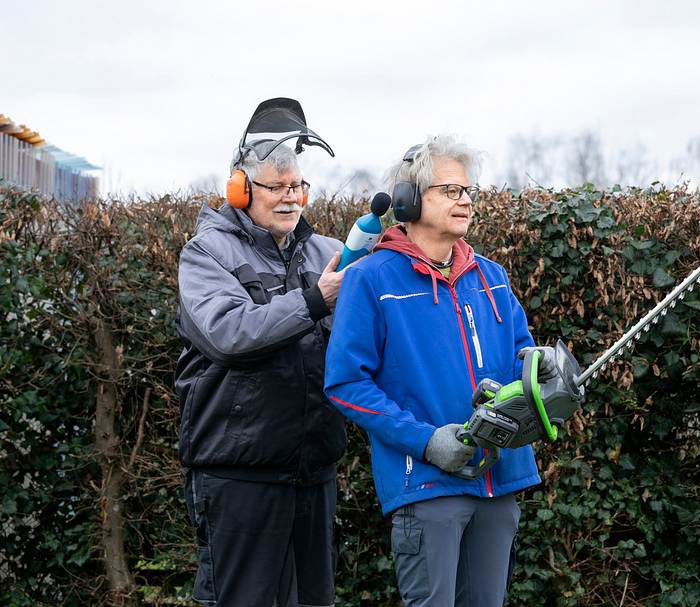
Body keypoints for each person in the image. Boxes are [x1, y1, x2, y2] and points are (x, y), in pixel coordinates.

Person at [324, 135, 553, 606]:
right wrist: (426, 441)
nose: (465, 199)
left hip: (500, 481)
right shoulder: (371, 280)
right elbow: (345, 382)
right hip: (426, 486)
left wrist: (542, 375)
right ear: (409, 200)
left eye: (468, 191)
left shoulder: (492, 277)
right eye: (450, 190)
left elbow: (521, 354)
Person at [175, 123, 348, 606]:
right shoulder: (207, 253)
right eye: (278, 187)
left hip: (314, 474)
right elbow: (230, 334)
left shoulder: (329, 253)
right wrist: (316, 299)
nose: (292, 198)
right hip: (238, 477)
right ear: (241, 189)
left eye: (299, 187)